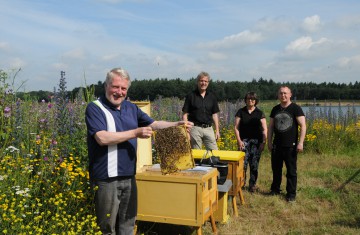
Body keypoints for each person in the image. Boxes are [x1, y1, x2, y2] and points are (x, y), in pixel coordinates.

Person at [85, 68, 193, 235]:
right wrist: (135, 133)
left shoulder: (130, 107)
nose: (119, 92)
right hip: (106, 178)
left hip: (129, 175)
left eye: (123, 89)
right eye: (115, 87)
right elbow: (102, 138)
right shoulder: (95, 108)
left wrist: (176, 125)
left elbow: (153, 124)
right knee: (106, 227)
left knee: (128, 223)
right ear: (106, 86)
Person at [267, 86, 306, 202]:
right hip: (276, 145)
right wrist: (269, 142)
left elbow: (303, 126)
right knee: (276, 169)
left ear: (290, 95)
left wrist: (301, 143)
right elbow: (271, 127)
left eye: (285, 93)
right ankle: (275, 189)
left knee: (291, 171)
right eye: (280, 93)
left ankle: (291, 194)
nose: (283, 95)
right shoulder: (275, 109)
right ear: (278, 95)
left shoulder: (296, 109)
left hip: (291, 146)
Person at [234, 92, 267, 193]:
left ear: (255, 101)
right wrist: (239, 141)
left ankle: (252, 185)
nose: (250, 101)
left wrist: (263, 143)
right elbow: (236, 127)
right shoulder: (240, 112)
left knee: (254, 165)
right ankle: (241, 183)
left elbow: (265, 129)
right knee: (242, 165)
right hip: (244, 142)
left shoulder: (260, 113)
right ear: (245, 100)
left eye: (252, 99)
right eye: (248, 99)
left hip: (256, 142)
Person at [182, 71, 220, 150]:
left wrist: (217, 131)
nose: (203, 83)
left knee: (214, 154)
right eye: (201, 81)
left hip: (208, 129)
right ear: (198, 82)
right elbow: (185, 114)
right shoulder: (191, 96)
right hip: (195, 129)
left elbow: (215, 115)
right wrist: (187, 131)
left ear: (208, 83)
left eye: (206, 81)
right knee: (197, 155)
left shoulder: (212, 97)